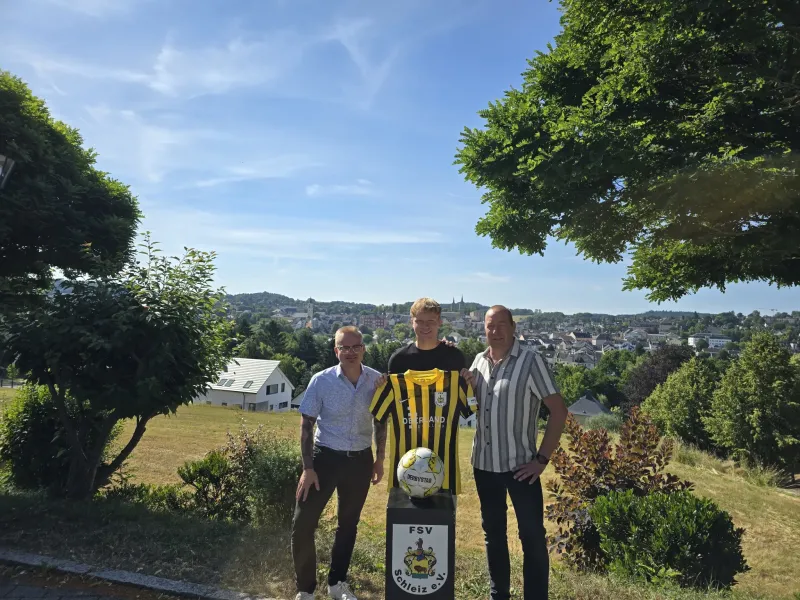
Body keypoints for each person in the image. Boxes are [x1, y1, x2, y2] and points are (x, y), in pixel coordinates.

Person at [469, 305, 568, 600]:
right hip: (484, 464)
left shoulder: (530, 361)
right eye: (490, 325)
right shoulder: (478, 362)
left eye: (501, 325)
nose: (495, 331)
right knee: (493, 534)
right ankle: (498, 594)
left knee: (532, 537)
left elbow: (559, 411)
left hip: (521, 467)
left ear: (513, 327)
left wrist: (542, 460)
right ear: (483, 329)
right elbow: (470, 405)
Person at [292, 326, 388, 600]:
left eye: (355, 346)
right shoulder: (321, 381)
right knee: (303, 523)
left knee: (348, 525)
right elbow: (306, 425)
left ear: (363, 349)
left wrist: (380, 459)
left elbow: (381, 421)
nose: (350, 352)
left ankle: (337, 584)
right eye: (344, 347)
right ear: (336, 351)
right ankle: (306, 589)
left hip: (360, 460)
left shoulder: (376, 381)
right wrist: (308, 468)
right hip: (324, 459)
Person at [387, 297, 467, 374]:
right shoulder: (398, 359)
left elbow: (463, 383)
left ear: (439, 322)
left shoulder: (454, 356)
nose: (425, 326)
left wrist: (470, 381)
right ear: (412, 323)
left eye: (431, 321)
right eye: (420, 321)